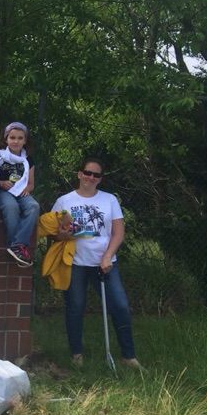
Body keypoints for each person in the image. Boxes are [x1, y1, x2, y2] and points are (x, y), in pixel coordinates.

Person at [52, 157, 143, 370]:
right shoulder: (64, 201)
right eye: (87, 173)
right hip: (75, 263)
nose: (90, 177)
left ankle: (128, 357)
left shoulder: (109, 200)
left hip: (105, 263)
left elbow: (118, 232)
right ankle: (76, 354)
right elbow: (55, 235)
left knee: (120, 306)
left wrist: (107, 256)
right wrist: (63, 235)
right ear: (79, 174)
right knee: (75, 308)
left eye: (96, 175)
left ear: (100, 179)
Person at [0, 121, 40, 267]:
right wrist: (1, 183)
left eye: (20, 138)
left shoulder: (28, 160)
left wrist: (26, 190)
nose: (16, 141)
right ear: (6, 139)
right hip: (1, 190)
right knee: (11, 207)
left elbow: (31, 184)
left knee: (33, 206)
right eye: (12, 137)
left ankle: (16, 245)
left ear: (25, 140)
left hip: (20, 191)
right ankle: (17, 247)